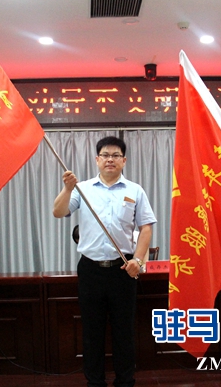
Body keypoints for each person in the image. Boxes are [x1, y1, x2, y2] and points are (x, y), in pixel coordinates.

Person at [53, 136, 157, 387]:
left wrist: (138, 260)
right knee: (92, 331)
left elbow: (146, 228)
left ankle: (125, 382)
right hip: (91, 270)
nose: (110, 159)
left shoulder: (135, 190)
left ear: (124, 160)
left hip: (123, 270)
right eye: (105, 155)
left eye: (116, 155)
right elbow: (58, 212)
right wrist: (67, 189)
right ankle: (95, 383)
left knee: (124, 331)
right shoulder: (83, 188)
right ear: (97, 159)